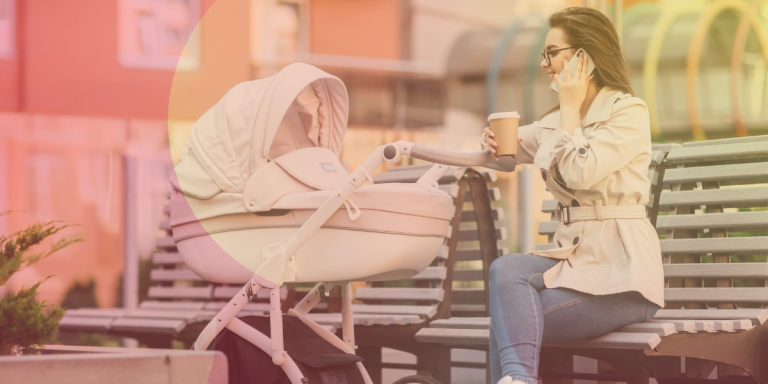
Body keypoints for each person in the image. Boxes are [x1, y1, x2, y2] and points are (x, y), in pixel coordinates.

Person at [481, 7, 665, 384]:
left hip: (622, 277)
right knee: (506, 271)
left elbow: (581, 170)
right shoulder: (553, 122)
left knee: (507, 324)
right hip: (577, 266)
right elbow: (507, 154)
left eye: (552, 52)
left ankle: (516, 379)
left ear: (583, 56)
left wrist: (568, 106)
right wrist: (490, 141)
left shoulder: (628, 112)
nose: (544, 63)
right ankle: (519, 380)